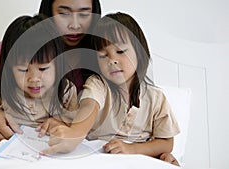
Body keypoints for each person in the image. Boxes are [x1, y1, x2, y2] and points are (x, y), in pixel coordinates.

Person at [40, 12, 181, 166]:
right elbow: (89, 106)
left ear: (139, 52)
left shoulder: (156, 98)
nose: (112, 60)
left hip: (139, 160)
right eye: (103, 56)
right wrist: (76, 133)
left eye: (120, 51)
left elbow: (166, 142)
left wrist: (131, 149)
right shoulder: (98, 85)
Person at [0, 0, 101, 142]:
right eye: (63, 13)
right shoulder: (21, 45)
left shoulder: (104, 51)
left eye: (84, 14)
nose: (74, 25)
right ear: (49, 11)